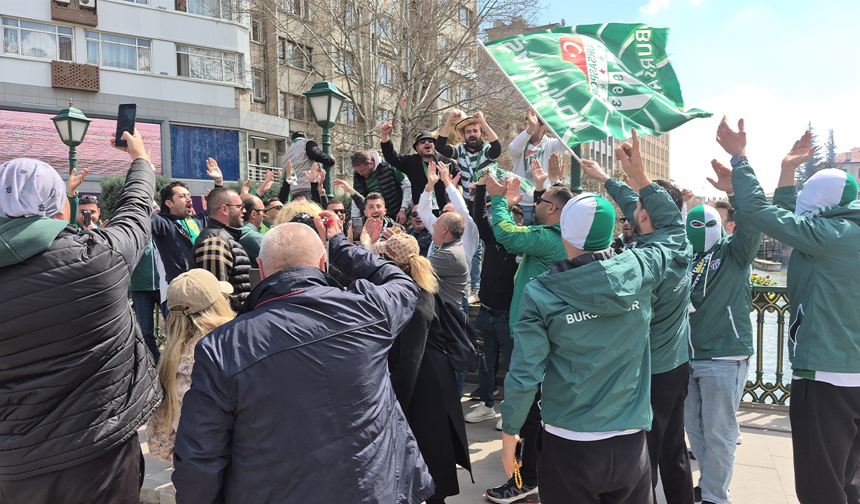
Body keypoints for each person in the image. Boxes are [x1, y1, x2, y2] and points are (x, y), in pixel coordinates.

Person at [172, 218, 434, 504]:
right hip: (377, 490)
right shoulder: (368, 309)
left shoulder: (222, 346)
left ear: (260, 268)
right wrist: (340, 245)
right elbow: (401, 281)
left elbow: (201, 455)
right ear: (323, 263)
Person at [500, 134, 684, 503]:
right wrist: (641, 181)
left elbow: (525, 371)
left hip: (569, 442)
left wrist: (510, 431)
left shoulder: (541, 292)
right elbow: (675, 233)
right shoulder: (640, 267)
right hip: (631, 442)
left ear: (563, 229)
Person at [0, 131, 162, 504]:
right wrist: (140, 160)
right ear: (61, 208)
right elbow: (136, 210)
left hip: (15, 462)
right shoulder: (99, 258)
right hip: (99, 453)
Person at [717, 118, 860, 504]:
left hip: (826, 375)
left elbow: (766, 216)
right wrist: (785, 172)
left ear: (819, 206)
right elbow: (787, 225)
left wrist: (740, 158)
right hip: (853, 376)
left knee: (820, 485)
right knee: (850, 481)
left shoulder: (826, 237)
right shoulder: (840, 231)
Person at [582, 157, 695, 504]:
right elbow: (638, 204)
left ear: (645, 216)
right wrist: (606, 178)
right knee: (673, 450)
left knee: (643, 458)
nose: (634, 211)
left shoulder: (645, 261)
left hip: (651, 373)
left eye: (639, 207)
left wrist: (638, 175)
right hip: (677, 366)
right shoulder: (679, 241)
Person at [683, 128, 764, 504]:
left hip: (724, 357)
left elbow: (752, 220)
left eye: (708, 223)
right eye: (695, 224)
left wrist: (735, 185)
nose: (701, 229)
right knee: (695, 430)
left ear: (720, 225)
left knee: (718, 431)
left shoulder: (735, 253)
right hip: (688, 357)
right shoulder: (686, 258)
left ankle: (715, 495)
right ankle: (708, 486)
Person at [483, 167, 572, 503]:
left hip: (535, 335)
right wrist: (540, 186)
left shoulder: (549, 239)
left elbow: (505, 233)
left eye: (543, 200)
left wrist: (498, 199)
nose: (537, 203)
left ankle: (526, 479)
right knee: (540, 411)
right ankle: (533, 471)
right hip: (550, 333)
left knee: (532, 413)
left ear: (554, 210)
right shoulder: (563, 236)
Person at [371, 232, 472, 504]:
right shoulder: (420, 283)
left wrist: (395, 405)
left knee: (431, 452)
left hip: (426, 384)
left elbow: (410, 361)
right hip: (432, 378)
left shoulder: (414, 298)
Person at [147, 269, 234, 464]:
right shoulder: (236, 350)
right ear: (218, 305)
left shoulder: (169, 366)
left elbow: (159, 445)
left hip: (193, 476)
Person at [463, 169, 520, 425]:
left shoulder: (526, 244)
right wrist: (482, 186)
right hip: (486, 314)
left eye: (510, 223)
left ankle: (509, 410)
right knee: (485, 365)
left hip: (510, 317)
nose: (504, 227)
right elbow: (479, 214)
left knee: (512, 366)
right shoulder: (493, 237)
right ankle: (486, 405)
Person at [150, 157, 223, 285]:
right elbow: (143, 207)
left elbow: (216, 206)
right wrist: (147, 174)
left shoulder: (197, 221)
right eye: (182, 196)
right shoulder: (163, 225)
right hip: (180, 290)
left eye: (189, 195)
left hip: (203, 285)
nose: (189, 199)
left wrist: (218, 181)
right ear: (169, 203)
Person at [192, 187, 251, 311]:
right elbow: (215, 299)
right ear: (224, 209)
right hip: (227, 324)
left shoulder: (223, 238)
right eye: (240, 206)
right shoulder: (215, 241)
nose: (244, 211)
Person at [508, 108, 567, 225]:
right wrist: (530, 129)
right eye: (526, 125)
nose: (527, 128)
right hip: (519, 204)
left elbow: (567, 142)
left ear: (543, 128)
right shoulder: (520, 143)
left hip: (543, 204)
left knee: (541, 240)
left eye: (532, 124)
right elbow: (513, 150)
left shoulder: (551, 144)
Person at [380, 121, 456, 211]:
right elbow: (391, 157)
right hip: (422, 212)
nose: (427, 143)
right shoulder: (411, 162)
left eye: (430, 141)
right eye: (422, 141)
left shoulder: (445, 161)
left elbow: (462, 178)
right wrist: (385, 136)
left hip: (444, 211)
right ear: (417, 147)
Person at [416, 161, 479, 261]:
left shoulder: (467, 233)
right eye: (443, 212)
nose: (442, 216)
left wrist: (447, 181)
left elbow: (462, 209)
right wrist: (430, 185)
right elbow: (423, 211)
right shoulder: (440, 229)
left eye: (448, 213)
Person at [350, 150, 411, 224]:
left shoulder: (389, 165)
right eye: (357, 170)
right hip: (376, 220)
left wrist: (403, 209)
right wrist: (356, 224)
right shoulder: (358, 177)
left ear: (371, 163)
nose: (360, 173)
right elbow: (355, 201)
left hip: (399, 216)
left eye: (362, 170)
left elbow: (407, 186)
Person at [130, 236, 162, 364]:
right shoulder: (136, 234)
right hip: (140, 288)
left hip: (163, 288)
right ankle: (156, 361)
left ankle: (172, 360)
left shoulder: (162, 231)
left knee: (175, 327)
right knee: (145, 331)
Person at [427, 210, 469, 308]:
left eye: (437, 222)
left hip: (445, 319)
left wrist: (400, 245)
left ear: (445, 229)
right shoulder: (451, 249)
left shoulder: (450, 254)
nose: (433, 225)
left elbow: (417, 268)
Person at [280, 131, 335, 199]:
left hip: (293, 190)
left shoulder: (287, 154)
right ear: (304, 138)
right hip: (308, 187)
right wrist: (331, 161)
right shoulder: (306, 142)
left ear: (292, 140)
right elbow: (316, 154)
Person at [238, 193, 265, 264]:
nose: (264, 215)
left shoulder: (233, 231)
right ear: (253, 214)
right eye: (263, 211)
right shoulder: (255, 238)